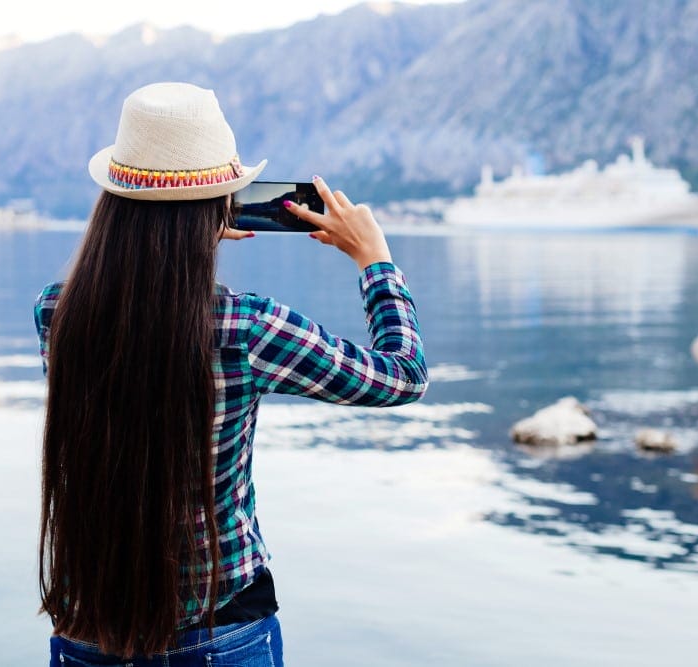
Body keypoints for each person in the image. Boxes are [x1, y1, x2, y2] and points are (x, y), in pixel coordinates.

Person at [34, 82, 427, 666]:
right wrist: (376, 262)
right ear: (223, 202)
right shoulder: (249, 328)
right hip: (221, 630)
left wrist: (186, 225)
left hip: (89, 624)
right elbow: (403, 376)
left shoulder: (56, 314)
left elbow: (145, 300)